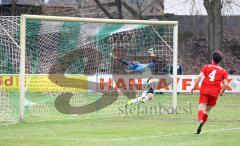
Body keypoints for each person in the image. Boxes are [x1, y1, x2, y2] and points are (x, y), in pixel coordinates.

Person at [191, 52, 228, 134]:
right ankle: (200, 125)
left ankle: (200, 121)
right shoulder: (223, 71)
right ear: (220, 61)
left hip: (204, 90)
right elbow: (226, 84)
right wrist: (222, 92)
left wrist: (194, 86)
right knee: (207, 111)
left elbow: (199, 77)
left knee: (201, 108)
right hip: (214, 93)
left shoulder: (206, 67)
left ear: (212, 59)